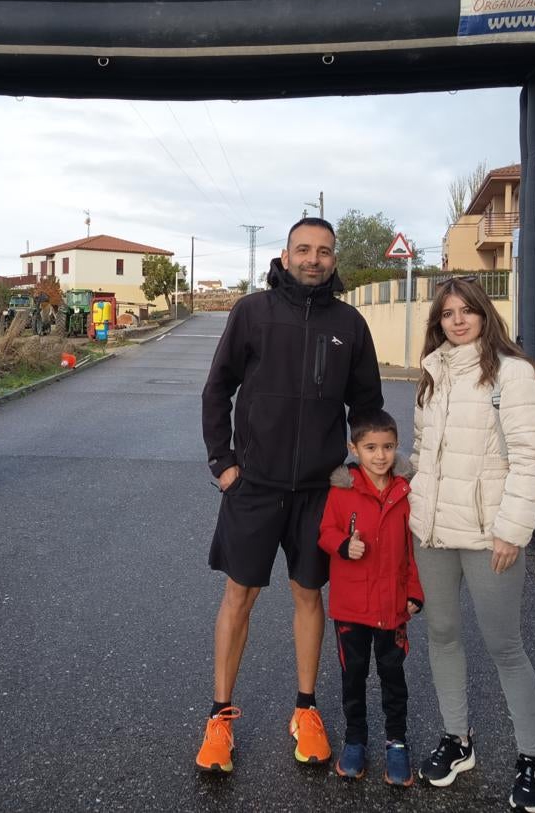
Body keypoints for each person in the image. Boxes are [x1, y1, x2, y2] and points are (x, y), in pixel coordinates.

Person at [196, 218, 384, 774]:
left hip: (319, 492)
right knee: (239, 596)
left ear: (334, 259)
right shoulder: (251, 312)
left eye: (323, 251)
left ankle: (306, 709)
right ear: (285, 254)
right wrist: (224, 464)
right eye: (303, 249)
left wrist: (362, 472)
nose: (313, 259)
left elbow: (367, 407)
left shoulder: (349, 324)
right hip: (254, 485)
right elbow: (218, 388)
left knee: (309, 595)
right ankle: (220, 718)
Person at [408, 277, 535, 812]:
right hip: (433, 533)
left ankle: (532, 760)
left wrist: (512, 530)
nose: (458, 320)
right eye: (448, 313)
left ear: (485, 315)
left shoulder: (512, 374)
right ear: (438, 322)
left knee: (504, 647)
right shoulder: (433, 373)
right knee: (442, 635)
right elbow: (423, 452)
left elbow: (531, 458)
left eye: (467, 310)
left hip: (490, 536)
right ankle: (457, 740)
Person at [317, 409, 422, 786]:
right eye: (371, 447)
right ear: (354, 448)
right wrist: (344, 545)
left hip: (392, 607)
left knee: (393, 677)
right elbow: (325, 532)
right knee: (354, 676)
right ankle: (355, 740)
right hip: (352, 607)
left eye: (388, 447)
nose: (380, 455)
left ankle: (397, 742)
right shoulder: (341, 491)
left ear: (397, 446)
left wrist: (415, 591)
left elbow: (413, 549)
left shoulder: (405, 492)